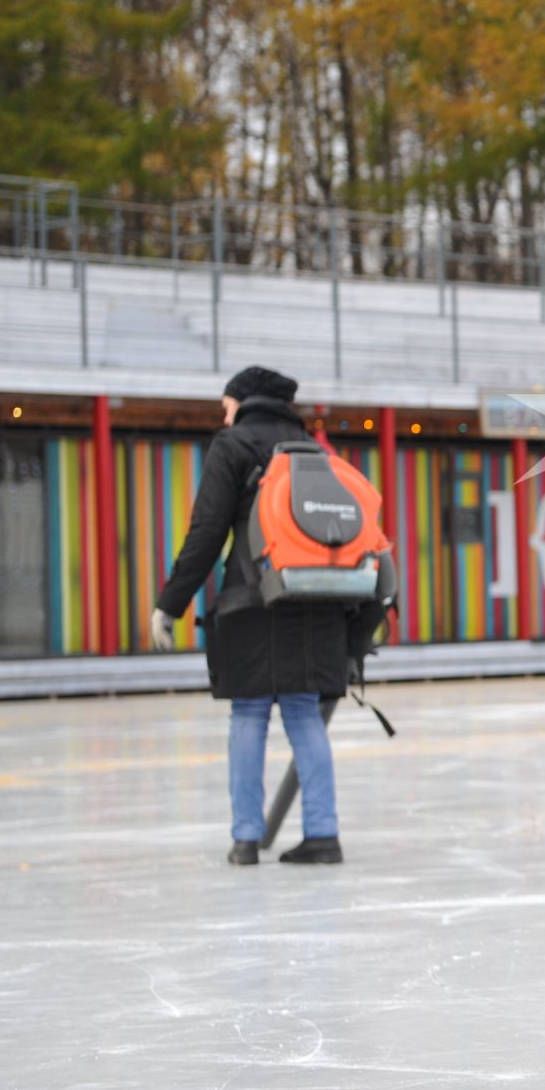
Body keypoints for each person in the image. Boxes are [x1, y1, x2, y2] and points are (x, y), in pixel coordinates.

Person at [150, 366, 351, 867]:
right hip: (315, 601)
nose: (223, 413)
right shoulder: (315, 452)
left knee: (249, 713)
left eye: (225, 404)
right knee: (304, 713)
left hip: (252, 602)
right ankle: (323, 835)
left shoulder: (233, 445)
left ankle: (245, 840)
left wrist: (170, 603)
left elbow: (207, 533)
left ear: (242, 401)